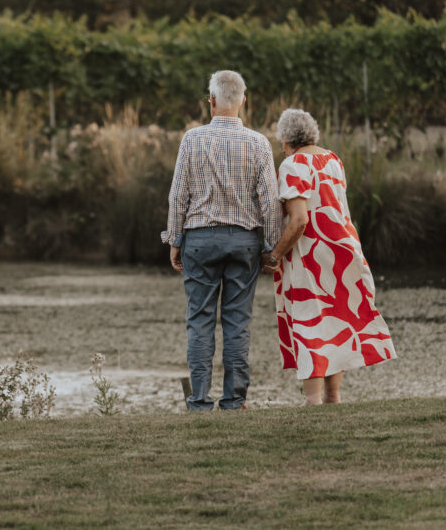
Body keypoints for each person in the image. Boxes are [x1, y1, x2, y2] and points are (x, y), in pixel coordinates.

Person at [162, 70, 282, 411]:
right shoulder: (259, 143)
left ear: (211, 101)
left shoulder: (192, 139)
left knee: (199, 320)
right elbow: (270, 202)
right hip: (244, 242)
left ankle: (199, 400)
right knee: (237, 321)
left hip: (199, 240)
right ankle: (234, 400)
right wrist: (271, 247)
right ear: (244, 101)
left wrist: (174, 239)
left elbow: (178, 195)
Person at [263, 108, 396, 406]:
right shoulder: (333, 159)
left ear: (286, 139)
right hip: (344, 248)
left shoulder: (293, 164)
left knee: (310, 321)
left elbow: (299, 221)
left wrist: (274, 254)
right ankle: (333, 397)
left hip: (311, 255)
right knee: (334, 322)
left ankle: (312, 401)